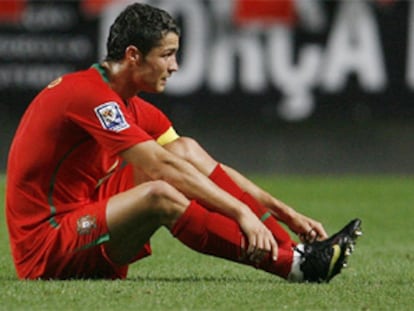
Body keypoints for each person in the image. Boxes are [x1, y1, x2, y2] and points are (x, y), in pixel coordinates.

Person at [5, 2, 361, 282]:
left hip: (85, 215)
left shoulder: (128, 103)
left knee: (184, 150)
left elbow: (192, 162)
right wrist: (241, 212)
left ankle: (297, 254)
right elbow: (160, 168)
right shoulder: (88, 96)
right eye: (166, 54)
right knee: (159, 192)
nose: (174, 65)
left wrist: (286, 214)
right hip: (46, 246)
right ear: (132, 55)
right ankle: (292, 266)